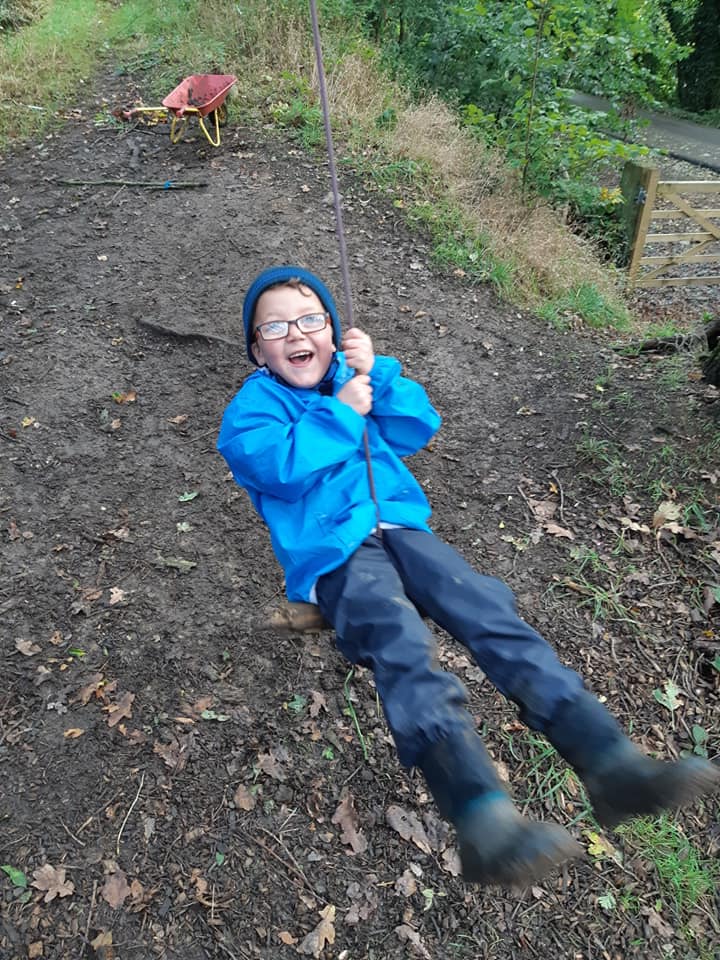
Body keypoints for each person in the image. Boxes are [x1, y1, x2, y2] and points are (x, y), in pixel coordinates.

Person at [217, 265, 719, 887]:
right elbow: (277, 467)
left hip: (402, 530)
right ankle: (481, 817)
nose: (297, 333)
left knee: (487, 610)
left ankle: (609, 761)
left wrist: (377, 375)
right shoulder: (252, 410)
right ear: (257, 349)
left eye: (311, 319)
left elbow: (417, 426)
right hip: (335, 554)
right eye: (275, 327)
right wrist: (341, 414)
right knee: (401, 643)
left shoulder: (354, 380)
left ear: (332, 330)